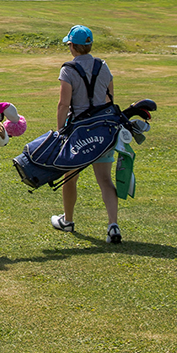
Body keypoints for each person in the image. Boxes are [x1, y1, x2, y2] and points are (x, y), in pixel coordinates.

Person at [50, 25, 120, 243]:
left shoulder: (68, 70)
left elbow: (64, 104)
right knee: (105, 180)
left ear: (72, 45)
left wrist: (61, 131)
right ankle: (113, 225)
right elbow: (109, 100)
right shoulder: (104, 66)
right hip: (102, 130)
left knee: (70, 177)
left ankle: (68, 220)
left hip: (78, 132)